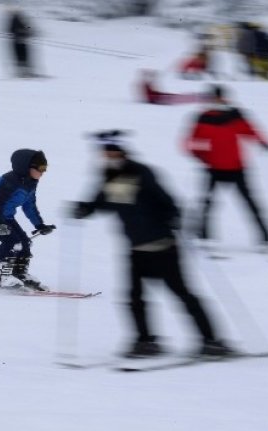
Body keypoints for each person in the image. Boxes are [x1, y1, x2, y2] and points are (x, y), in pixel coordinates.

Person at [70, 131, 233, 358]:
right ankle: (146, 342)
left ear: (123, 152)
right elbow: (104, 203)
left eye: (114, 151)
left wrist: (174, 217)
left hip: (163, 247)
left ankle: (211, 342)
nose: (109, 155)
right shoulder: (108, 175)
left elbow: (167, 201)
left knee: (182, 294)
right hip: (136, 249)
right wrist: (84, 209)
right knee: (134, 297)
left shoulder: (141, 172)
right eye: (106, 152)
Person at [183, 85, 268, 247]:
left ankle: (266, 238)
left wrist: (264, 143)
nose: (216, 100)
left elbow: (250, 131)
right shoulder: (203, 117)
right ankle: (204, 237)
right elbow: (191, 141)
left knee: (250, 203)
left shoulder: (236, 114)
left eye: (218, 97)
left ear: (223, 97)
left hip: (237, 168)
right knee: (206, 203)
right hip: (213, 168)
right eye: (212, 97)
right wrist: (201, 156)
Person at [0, 149, 55, 290]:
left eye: (45, 168)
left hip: (4, 214)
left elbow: (29, 205)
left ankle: (19, 273)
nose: (43, 172)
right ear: (26, 167)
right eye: (40, 168)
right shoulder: (10, 181)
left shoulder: (31, 182)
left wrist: (39, 225)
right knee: (11, 241)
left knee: (24, 242)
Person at [138, 69, 206, 105]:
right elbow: (149, 95)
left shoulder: (147, 84)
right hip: (156, 99)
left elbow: (153, 92)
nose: (152, 77)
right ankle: (197, 97)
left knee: (176, 96)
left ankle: (197, 96)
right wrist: (159, 97)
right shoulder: (145, 84)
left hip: (157, 97)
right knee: (178, 97)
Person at [5, 6, 38, 78]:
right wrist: (22, 31)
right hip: (17, 41)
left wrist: (29, 30)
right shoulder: (14, 20)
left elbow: (27, 27)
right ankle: (22, 73)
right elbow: (11, 30)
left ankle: (26, 72)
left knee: (25, 57)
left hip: (22, 41)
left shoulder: (21, 19)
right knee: (21, 57)